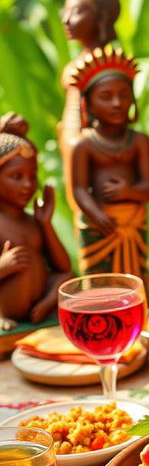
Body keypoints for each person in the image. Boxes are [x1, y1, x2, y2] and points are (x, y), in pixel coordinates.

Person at [69, 46, 149, 286]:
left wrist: (129, 191)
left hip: (133, 222)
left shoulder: (139, 141)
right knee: (100, 283)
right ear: (89, 103)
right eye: (106, 97)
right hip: (100, 227)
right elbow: (78, 190)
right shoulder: (84, 145)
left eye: (124, 95)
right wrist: (96, 214)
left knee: (135, 282)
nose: (117, 103)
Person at [0, 125, 71, 330]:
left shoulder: (32, 221)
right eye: (16, 177)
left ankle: (44, 307)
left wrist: (45, 224)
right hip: (7, 305)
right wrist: (3, 266)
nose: (27, 185)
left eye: (32, 177)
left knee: (67, 279)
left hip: (39, 301)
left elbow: (63, 267)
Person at [60, 0, 121, 207]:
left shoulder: (107, 63)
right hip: (70, 139)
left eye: (75, 11)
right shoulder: (79, 62)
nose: (66, 19)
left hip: (93, 150)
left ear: (101, 18)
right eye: (64, 11)